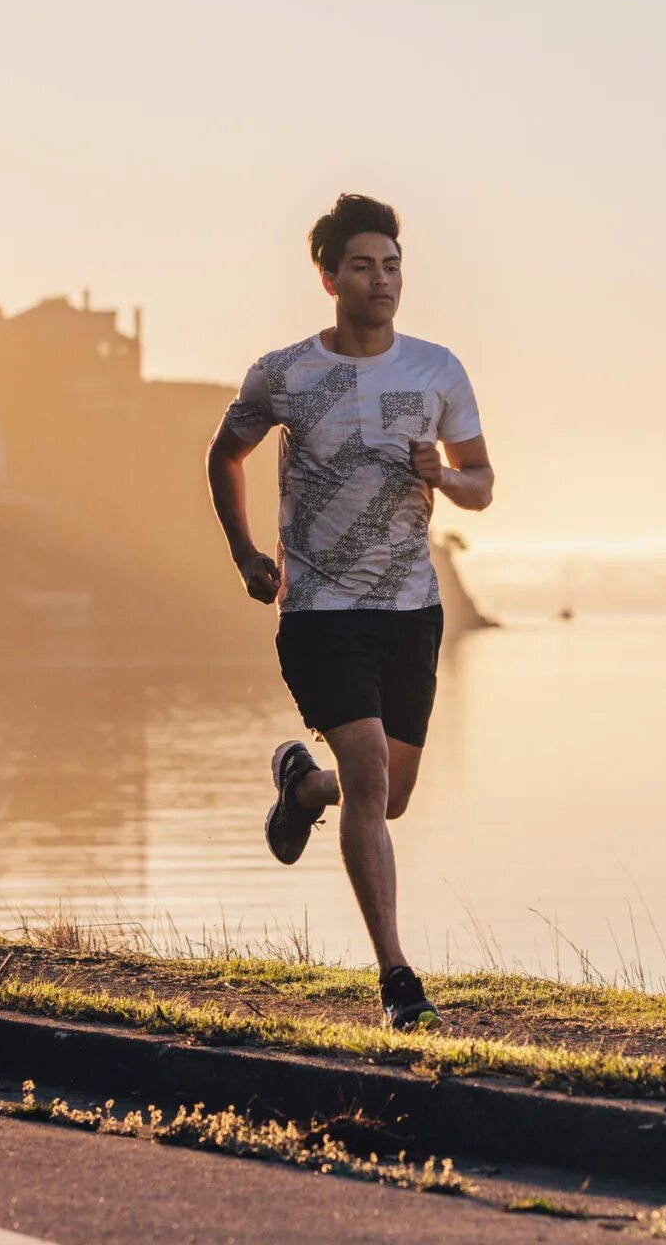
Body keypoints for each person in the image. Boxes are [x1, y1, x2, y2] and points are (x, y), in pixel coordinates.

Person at [205, 193, 494, 1030]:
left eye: (393, 265)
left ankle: (302, 788)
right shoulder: (285, 373)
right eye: (364, 266)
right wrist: (245, 552)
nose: (382, 280)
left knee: (389, 795)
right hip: (322, 608)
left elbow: (483, 483)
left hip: (412, 609)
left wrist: (443, 476)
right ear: (329, 276)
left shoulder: (437, 370)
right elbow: (226, 453)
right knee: (371, 776)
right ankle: (398, 979)